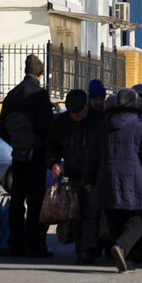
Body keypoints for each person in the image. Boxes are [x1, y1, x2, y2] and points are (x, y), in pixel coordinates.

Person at [83, 87, 142, 273]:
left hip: (107, 181)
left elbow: (93, 155)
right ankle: (121, 248)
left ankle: (125, 261)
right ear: (135, 104)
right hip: (136, 183)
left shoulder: (104, 126)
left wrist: (89, 179)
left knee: (115, 222)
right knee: (138, 221)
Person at [0, 54, 55, 258]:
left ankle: (15, 244)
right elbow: (46, 127)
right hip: (36, 154)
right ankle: (34, 243)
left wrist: (17, 144)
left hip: (18, 155)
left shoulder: (11, 95)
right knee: (36, 200)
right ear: (40, 74)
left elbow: (2, 129)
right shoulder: (39, 95)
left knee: (16, 199)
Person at [46, 88, 103, 264]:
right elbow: (51, 147)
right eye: (71, 113)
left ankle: (88, 250)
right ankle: (82, 250)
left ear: (86, 107)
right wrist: (54, 163)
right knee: (76, 214)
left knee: (91, 213)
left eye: (77, 113)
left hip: (94, 175)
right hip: (72, 175)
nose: (74, 116)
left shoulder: (99, 120)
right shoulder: (61, 123)